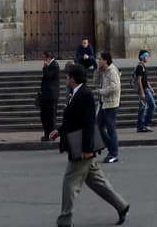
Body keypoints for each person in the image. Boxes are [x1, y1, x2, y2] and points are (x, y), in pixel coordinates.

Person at [49, 63, 130, 227]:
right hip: (79, 143)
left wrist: (87, 149)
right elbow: (73, 120)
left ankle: (65, 220)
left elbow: (88, 123)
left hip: (81, 147)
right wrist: (59, 131)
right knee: (97, 181)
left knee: (69, 183)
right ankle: (121, 206)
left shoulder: (84, 94)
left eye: (68, 76)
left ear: (73, 78)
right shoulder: (76, 93)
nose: (66, 78)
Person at [95, 51, 121, 162]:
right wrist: (98, 70)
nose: (98, 61)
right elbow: (95, 81)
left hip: (111, 104)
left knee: (111, 129)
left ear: (105, 60)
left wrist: (102, 91)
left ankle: (113, 154)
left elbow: (115, 87)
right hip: (103, 103)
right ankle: (109, 145)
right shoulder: (103, 71)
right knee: (98, 126)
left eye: (100, 59)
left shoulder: (112, 71)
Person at [39, 50, 61, 141]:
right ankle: (47, 134)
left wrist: (45, 67)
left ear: (48, 58)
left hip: (51, 96)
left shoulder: (54, 65)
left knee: (51, 117)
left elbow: (48, 76)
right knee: (45, 115)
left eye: (44, 58)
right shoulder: (50, 65)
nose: (43, 60)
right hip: (46, 95)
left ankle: (51, 135)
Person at [134, 50, 156, 132]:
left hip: (146, 89)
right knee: (150, 106)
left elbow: (145, 80)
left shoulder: (143, 66)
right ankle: (144, 125)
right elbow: (139, 80)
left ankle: (141, 126)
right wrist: (142, 91)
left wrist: (151, 88)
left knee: (143, 107)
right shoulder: (140, 67)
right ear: (142, 57)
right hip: (144, 90)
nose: (147, 58)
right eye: (146, 56)